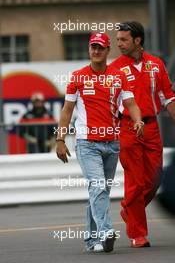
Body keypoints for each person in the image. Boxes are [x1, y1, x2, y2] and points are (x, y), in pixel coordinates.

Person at [56, 32, 144, 253]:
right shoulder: (77, 77)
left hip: (112, 143)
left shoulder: (118, 76)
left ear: (107, 51)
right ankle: (105, 232)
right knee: (98, 188)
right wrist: (60, 139)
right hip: (87, 144)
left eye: (100, 48)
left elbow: (131, 103)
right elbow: (67, 111)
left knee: (99, 191)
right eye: (93, 47)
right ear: (89, 49)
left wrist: (138, 120)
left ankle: (92, 241)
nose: (96, 51)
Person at [111, 21, 175, 248]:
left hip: (152, 127)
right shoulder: (115, 68)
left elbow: (169, 97)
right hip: (127, 128)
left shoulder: (156, 65)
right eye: (117, 39)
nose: (118, 43)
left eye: (123, 39)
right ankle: (138, 235)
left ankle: (129, 208)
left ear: (137, 40)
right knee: (135, 182)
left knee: (156, 179)